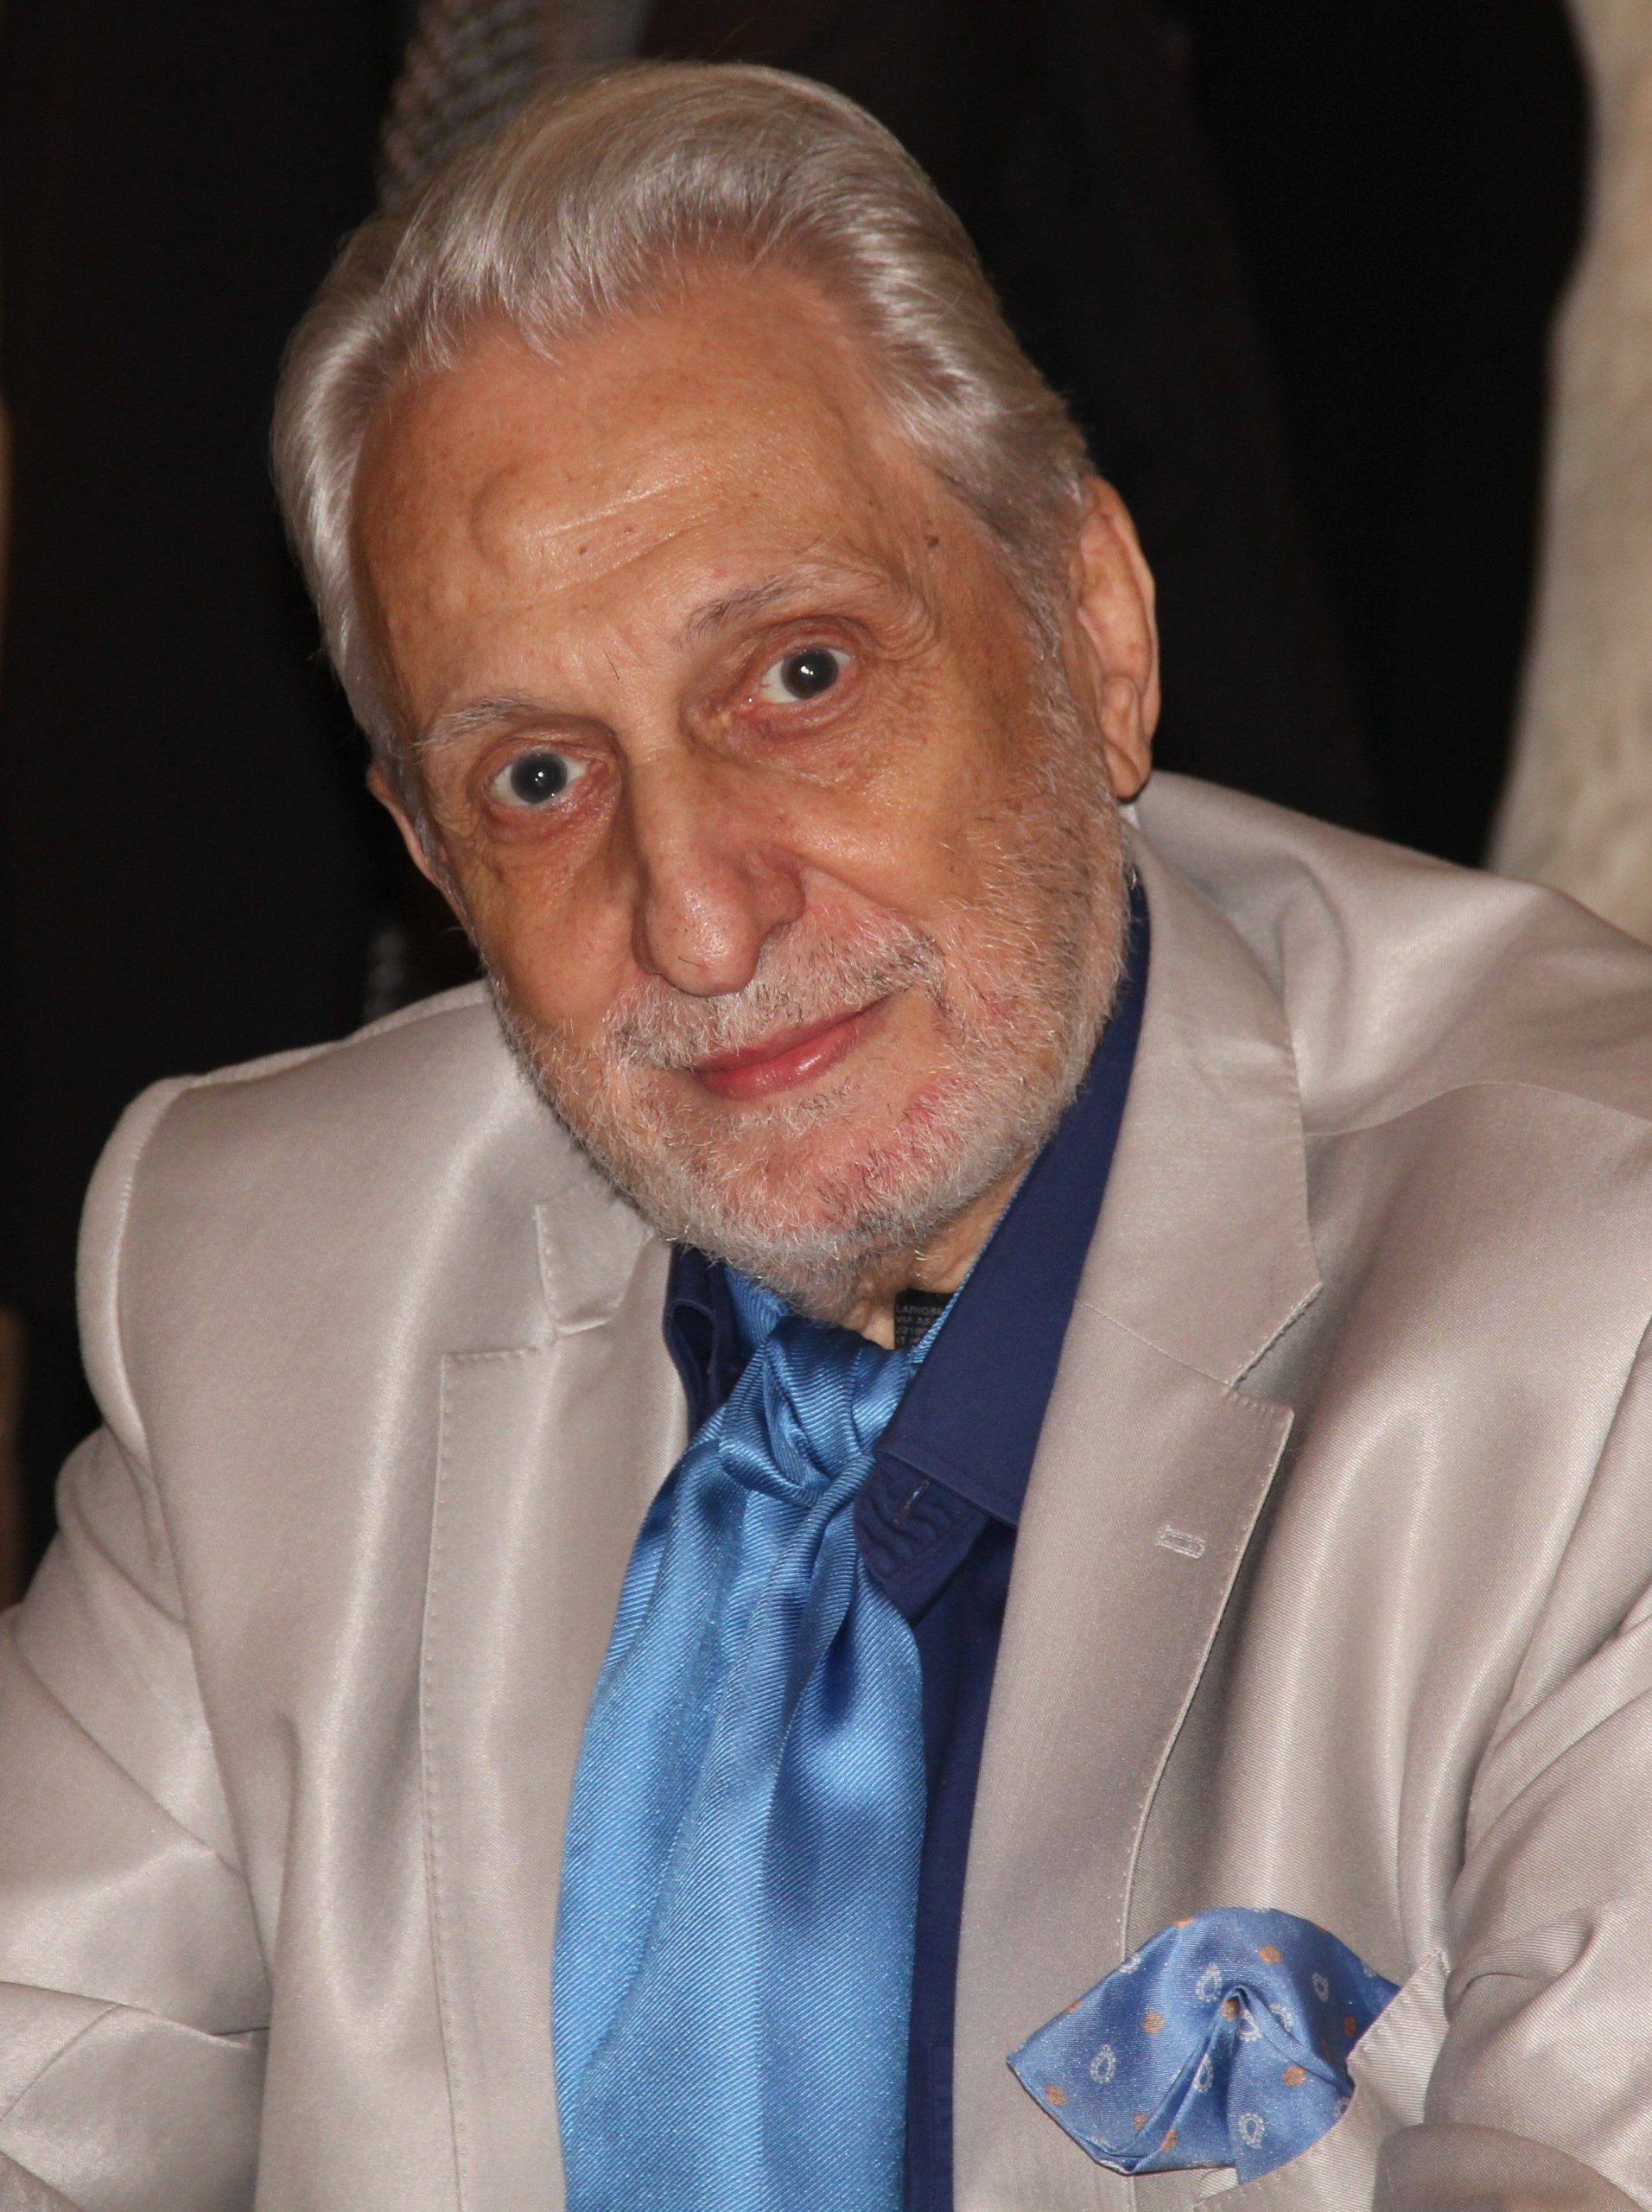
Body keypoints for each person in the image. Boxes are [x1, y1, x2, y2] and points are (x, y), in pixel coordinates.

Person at [3, 62, 1652, 2212]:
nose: (695, 917)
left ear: (1092, 626)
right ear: (420, 849)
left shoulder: (1594, 1302)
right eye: (535, 779)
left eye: (797, 676)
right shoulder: (254, 1277)